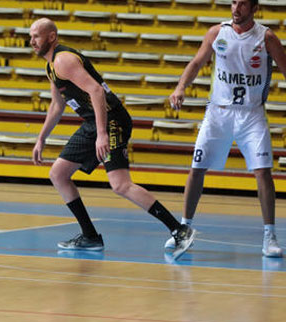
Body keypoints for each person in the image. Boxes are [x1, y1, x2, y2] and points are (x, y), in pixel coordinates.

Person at [30, 18, 195, 260]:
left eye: (36, 36)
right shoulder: (51, 66)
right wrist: (41, 138)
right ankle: (90, 237)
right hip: (92, 123)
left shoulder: (64, 60)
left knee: (120, 184)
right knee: (58, 174)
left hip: (111, 119)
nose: (31, 41)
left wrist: (102, 133)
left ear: (52, 37)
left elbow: (96, 91)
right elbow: (57, 105)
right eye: (31, 36)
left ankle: (179, 230)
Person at [166, 0, 286, 258]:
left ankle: (269, 235)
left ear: (254, 8)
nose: (236, 8)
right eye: (233, 3)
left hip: (251, 114)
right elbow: (197, 62)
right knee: (197, 168)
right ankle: (183, 230)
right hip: (218, 112)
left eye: (243, 4)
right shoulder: (216, 32)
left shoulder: (266, 37)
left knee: (263, 171)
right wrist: (180, 87)